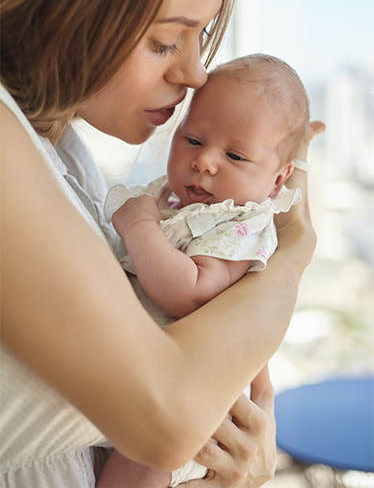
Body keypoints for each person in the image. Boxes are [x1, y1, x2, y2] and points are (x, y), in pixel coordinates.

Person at [0, 0, 324, 488]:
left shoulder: (61, 151)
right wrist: (295, 252)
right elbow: (169, 418)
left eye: (201, 36)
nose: (196, 74)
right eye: (165, 41)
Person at [98, 53, 310, 487]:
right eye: (193, 140)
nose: (205, 162)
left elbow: (189, 290)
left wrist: (140, 228)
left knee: (148, 449)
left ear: (277, 180)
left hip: (200, 410)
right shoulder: (177, 205)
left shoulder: (239, 226)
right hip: (157, 383)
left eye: (234, 155)